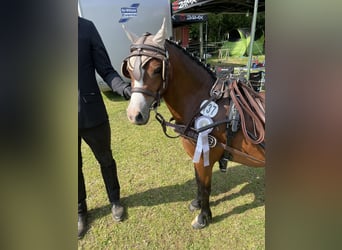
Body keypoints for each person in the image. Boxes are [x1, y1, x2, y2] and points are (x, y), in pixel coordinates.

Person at [78, 16, 132, 239]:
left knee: (106, 160)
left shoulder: (87, 27)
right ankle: (80, 211)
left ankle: (115, 200)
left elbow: (106, 69)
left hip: (92, 113)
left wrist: (124, 88)